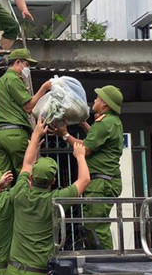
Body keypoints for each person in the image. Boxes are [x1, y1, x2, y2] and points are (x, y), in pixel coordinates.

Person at [0, 117, 91, 275]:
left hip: (13, 271)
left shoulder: (20, 192)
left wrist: (35, 136)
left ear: (31, 178)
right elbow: (84, 181)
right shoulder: (55, 200)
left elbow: (26, 164)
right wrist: (80, 156)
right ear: (53, 182)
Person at [53, 85, 124, 250]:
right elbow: (97, 140)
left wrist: (65, 135)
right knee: (92, 224)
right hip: (105, 181)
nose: (95, 100)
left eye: (98, 98)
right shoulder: (112, 122)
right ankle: (98, 257)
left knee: (96, 225)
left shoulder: (104, 123)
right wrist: (84, 124)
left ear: (105, 104)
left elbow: (84, 149)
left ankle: (107, 260)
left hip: (101, 183)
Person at [0, 48, 52, 174]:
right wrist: (44, 88)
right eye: (27, 65)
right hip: (15, 134)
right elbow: (28, 107)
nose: (27, 69)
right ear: (17, 62)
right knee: (26, 173)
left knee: (2, 178)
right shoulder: (14, 79)